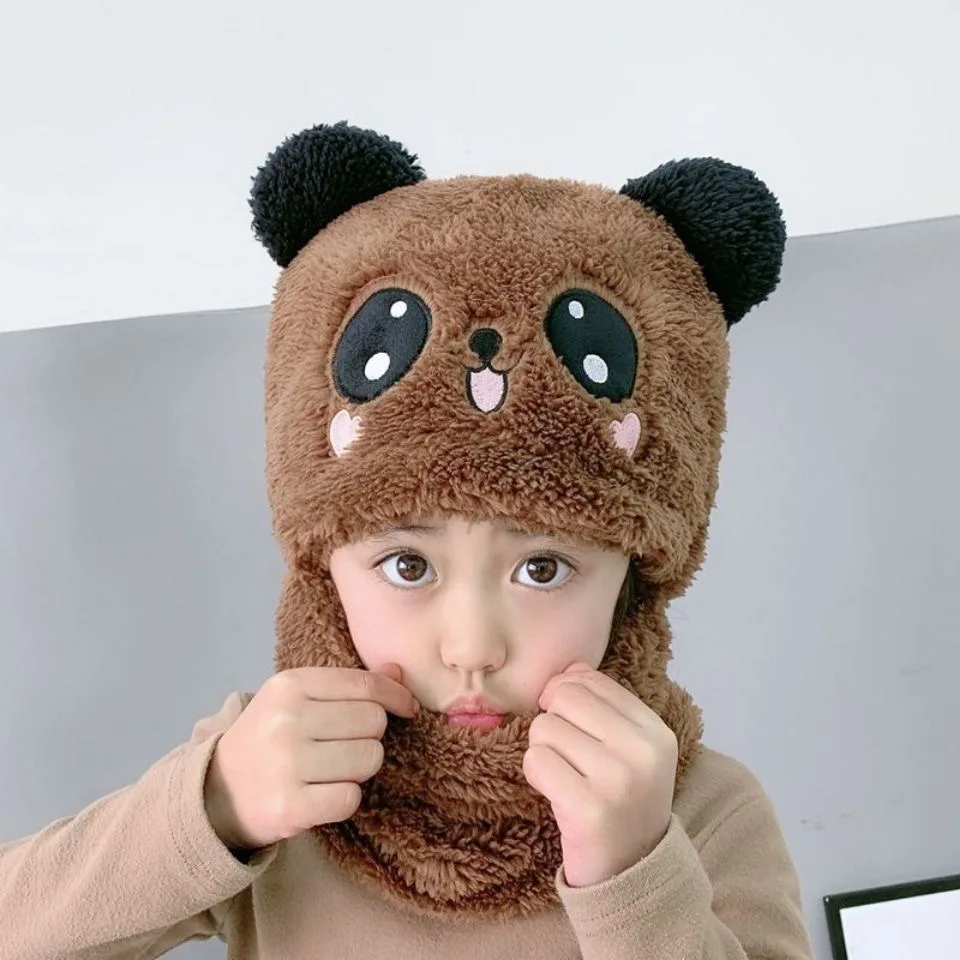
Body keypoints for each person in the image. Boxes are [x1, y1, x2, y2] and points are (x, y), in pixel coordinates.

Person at [0, 122, 814, 959]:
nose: (472, 647)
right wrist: (214, 811)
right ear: (325, 566)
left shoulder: (703, 810)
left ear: (635, 576)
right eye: (407, 564)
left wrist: (635, 876)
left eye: (543, 567)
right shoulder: (271, 764)